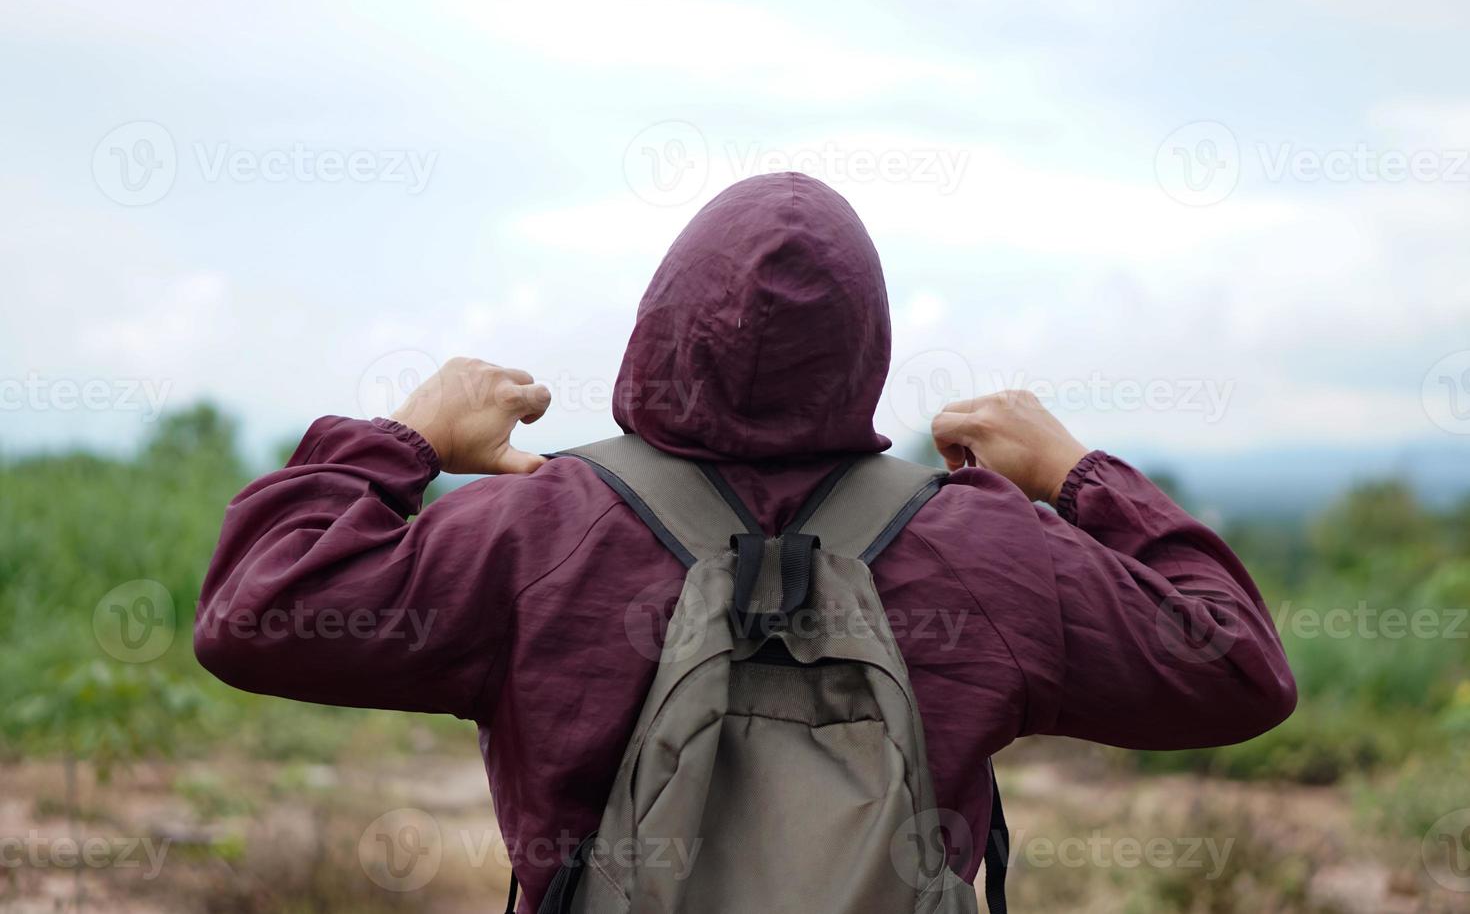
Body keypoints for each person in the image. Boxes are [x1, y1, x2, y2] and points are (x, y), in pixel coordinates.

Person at [196, 172, 1296, 910]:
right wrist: (1076, 473)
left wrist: (406, 435)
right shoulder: (987, 547)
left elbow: (255, 608)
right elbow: (1240, 668)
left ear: (660, 322)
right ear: (867, 343)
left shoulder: (537, 528)